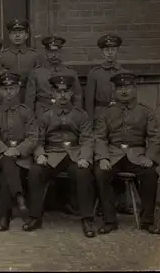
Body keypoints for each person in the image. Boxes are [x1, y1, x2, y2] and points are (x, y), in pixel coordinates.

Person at [24, 75, 96, 238]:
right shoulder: (45, 115)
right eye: (59, 91)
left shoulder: (81, 115)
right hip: (52, 154)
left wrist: (85, 157)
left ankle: (87, 219)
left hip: (74, 154)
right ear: (53, 94)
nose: (62, 95)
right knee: (35, 171)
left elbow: (87, 139)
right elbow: (38, 139)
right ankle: (35, 217)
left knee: (83, 173)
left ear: (71, 94)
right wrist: (40, 154)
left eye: (66, 91)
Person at [94, 72, 160, 235]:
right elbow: (99, 137)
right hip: (113, 154)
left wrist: (150, 157)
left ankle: (147, 221)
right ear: (115, 91)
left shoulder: (146, 112)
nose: (123, 91)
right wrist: (103, 157)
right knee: (100, 173)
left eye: (127, 87)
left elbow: (155, 137)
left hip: (138, 155)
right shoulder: (106, 112)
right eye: (119, 88)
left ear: (134, 88)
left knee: (151, 175)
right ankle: (109, 220)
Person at [0, 72, 38, 231]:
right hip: (2, 156)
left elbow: (32, 137)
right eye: (5, 89)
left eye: (12, 88)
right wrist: (6, 150)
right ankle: (20, 200)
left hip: (22, 158)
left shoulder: (26, 112)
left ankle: (4, 217)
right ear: (0, 91)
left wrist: (17, 150)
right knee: (7, 163)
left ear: (18, 89)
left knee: (6, 176)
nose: (8, 92)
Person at [25, 36, 82, 117]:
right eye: (50, 52)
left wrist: (77, 116)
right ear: (45, 53)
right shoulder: (36, 73)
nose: (54, 55)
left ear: (61, 53)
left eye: (57, 52)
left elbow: (77, 97)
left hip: (66, 113)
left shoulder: (71, 73)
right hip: (42, 112)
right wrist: (30, 119)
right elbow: (30, 100)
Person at [85, 34, 127, 121]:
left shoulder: (124, 73)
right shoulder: (94, 73)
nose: (110, 53)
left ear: (118, 51)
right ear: (102, 52)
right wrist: (90, 121)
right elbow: (89, 101)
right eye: (106, 50)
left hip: (119, 114)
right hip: (100, 114)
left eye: (113, 49)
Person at [1, 19, 39, 101]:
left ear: (26, 35)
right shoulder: (3, 56)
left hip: (29, 96)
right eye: (14, 33)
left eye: (20, 32)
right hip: (8, 96)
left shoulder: (34, 56)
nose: (17, 35)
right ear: (10, 36)